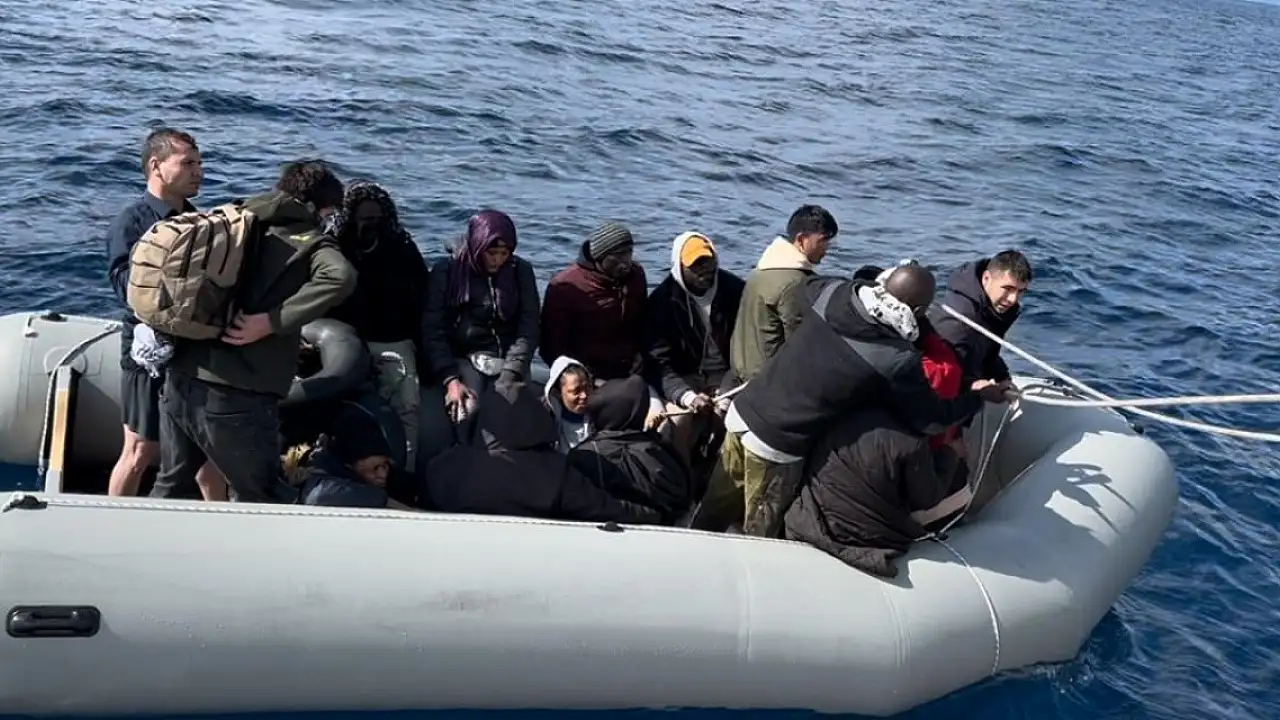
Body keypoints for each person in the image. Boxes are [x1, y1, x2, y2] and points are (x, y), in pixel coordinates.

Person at [700, 261, 1010, 538]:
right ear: (917, 312)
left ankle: (695, 544)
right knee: (761, 530)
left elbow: (808, 287)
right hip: (777, 443)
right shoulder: (895, 358)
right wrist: (977, 396)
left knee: (715, 507)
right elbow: (930, 418)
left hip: (745, 410)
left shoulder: (835, 294)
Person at [152, 160, 358, 503]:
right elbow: (341, 277)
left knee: (173, 483)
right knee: (264, 495)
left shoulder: (235, 217)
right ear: (317, 208)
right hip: (235, 393)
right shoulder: (310, 241)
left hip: (181, 377)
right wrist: (272, 321)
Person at [103, 127, 227, 501]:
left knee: (208, 455)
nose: (198, 172)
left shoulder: (200, 221)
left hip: (193, 346)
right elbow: (126, 288)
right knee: (140, 450)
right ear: (156, 166)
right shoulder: (131, 222)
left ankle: (223, 526)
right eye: (188, 163)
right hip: (148, 350)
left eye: (200, 163)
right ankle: (112, 523)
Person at [783, 406, 965, 578]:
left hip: (811, 517)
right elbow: (928, 497)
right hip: (862, 538)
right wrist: (950, 453)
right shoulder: (912, 444)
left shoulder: (854, 410)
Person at [326, 181, 428, 469]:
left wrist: (424, 351)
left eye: (377, 218)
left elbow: (422, 298)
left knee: (408, 406)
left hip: (394, 340)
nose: (372, 225)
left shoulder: (401, 247)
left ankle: (404, 470)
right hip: (345, 341)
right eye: (365, 219)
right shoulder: (334, 247)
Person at [420, 209, 540, 447]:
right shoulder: (448, 272)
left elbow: (529, 326)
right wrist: (450, 379)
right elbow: (433, 329)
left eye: (504, 253)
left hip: (508, 358)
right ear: (477, 246)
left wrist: (512, 372)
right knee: (466, 411)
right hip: (464, 357)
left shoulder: (520, 272)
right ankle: (464, 456)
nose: (498, 260)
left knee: (510, 412)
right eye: (491, 253)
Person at [643, 231, 745, 469]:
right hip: (683, 375)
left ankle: (719, 470)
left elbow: (745, 349)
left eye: (708, 262)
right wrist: (686, 396)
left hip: (726, 373)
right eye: (696, 265)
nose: (704, 270)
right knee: (677, 423)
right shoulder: (661, 302)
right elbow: (657, 363)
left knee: (735, 415)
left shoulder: (736, 290)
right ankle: (683, 475)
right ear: (680, 267)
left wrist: (727, 391)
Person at [539, 222, 653, 431]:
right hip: (589, 379)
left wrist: (640, 358)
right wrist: (587, 379)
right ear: (600, 257)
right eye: (618, 256)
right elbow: (551, 348)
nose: (626, 262)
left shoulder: (636, 276)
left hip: (630, 371)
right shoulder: (565, 286)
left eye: (629, 253)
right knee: (632, 392)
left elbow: (643, 324)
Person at [729, 204, 838, 383]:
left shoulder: (763, 268)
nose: (826, 248)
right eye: (823, 241)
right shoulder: (794, 283)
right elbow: (799, 344)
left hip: (742, 371)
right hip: (767, 382)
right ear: (801, 239)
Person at [929, 250, 1033, 387]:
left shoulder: (989, 310)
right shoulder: (958, 320)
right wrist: (975, 387)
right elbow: (939, 378)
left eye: (1020, 292)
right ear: (986, 278)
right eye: (1008, 288)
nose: (1013, 299)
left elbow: (985, 352)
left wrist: (1002, 377)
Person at [285, 404, 417, 511]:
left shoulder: (385, 477)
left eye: (385, 465)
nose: (383, 475)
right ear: (349, 466)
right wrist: (382, 500)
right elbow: (318, 496)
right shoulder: (319, 472)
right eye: (375, 468)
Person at [543, 355, 595, 453]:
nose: (584, 395)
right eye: (576, 391)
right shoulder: (546, 425)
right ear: (558, 393)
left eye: (587, 387)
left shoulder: (599, 420)